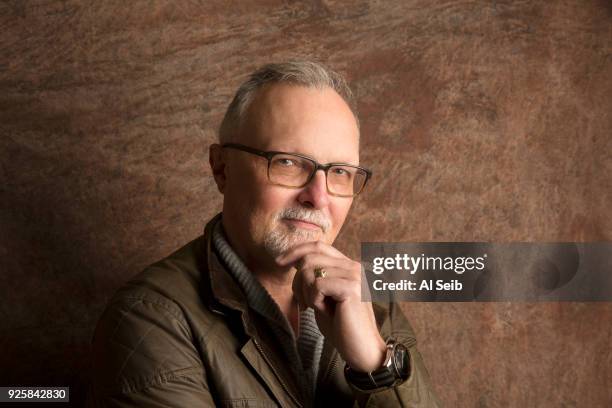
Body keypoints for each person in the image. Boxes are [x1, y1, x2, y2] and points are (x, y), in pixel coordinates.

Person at [88, 61, 441, 407]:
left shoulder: (372, 304)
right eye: (287, 162)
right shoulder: (150, 319)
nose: (318, 197)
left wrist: (378, 366)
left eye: (339, 172)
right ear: (221, 168)